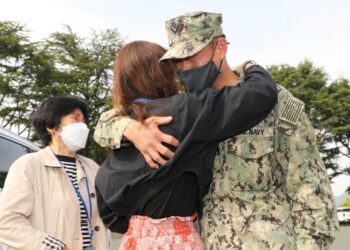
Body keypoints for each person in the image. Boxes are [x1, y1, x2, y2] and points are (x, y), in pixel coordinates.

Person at [94, 11, 339, 249]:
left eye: (193, 56)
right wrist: (130, 129)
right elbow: (109, 118)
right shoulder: (182, 108)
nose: (186, 67)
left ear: (220, 47)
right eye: (178, 61)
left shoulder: (278, 104)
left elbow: (311, 192)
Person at [94, 39, 277, 249]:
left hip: (134, 241)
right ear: (164, 73)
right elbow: (260, 93)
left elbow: (109, 212)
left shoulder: (120, 128)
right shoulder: (188, 110)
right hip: (179, 241)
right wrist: (249, 66)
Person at [0, 96, 109, 250]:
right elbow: (6, 222)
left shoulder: (91, 167)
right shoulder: (28, 165)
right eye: (75, 119)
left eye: (83, 121)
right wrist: (53, 246)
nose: (82, 126)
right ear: (51, 126)